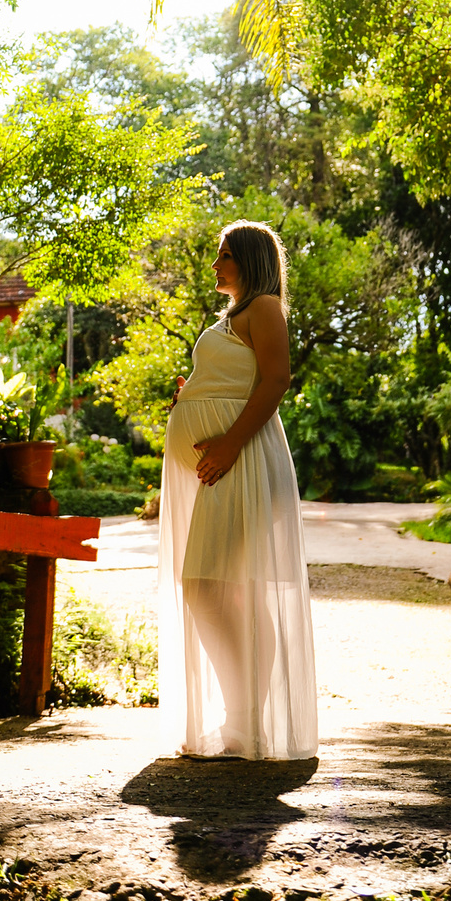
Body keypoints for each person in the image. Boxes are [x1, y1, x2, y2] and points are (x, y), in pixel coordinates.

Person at [157, 220, 318, 761]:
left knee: (207, 588)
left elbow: (277, 379)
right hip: (226, 467)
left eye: (224, 255)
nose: (214, 264)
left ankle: (246, 717)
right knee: (227, 591)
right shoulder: (232, 318)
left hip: (244, 463)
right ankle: (242, 718)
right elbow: (238, 380)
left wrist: (227, 444)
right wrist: (194, 397)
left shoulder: (264, 307)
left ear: (249, 260)